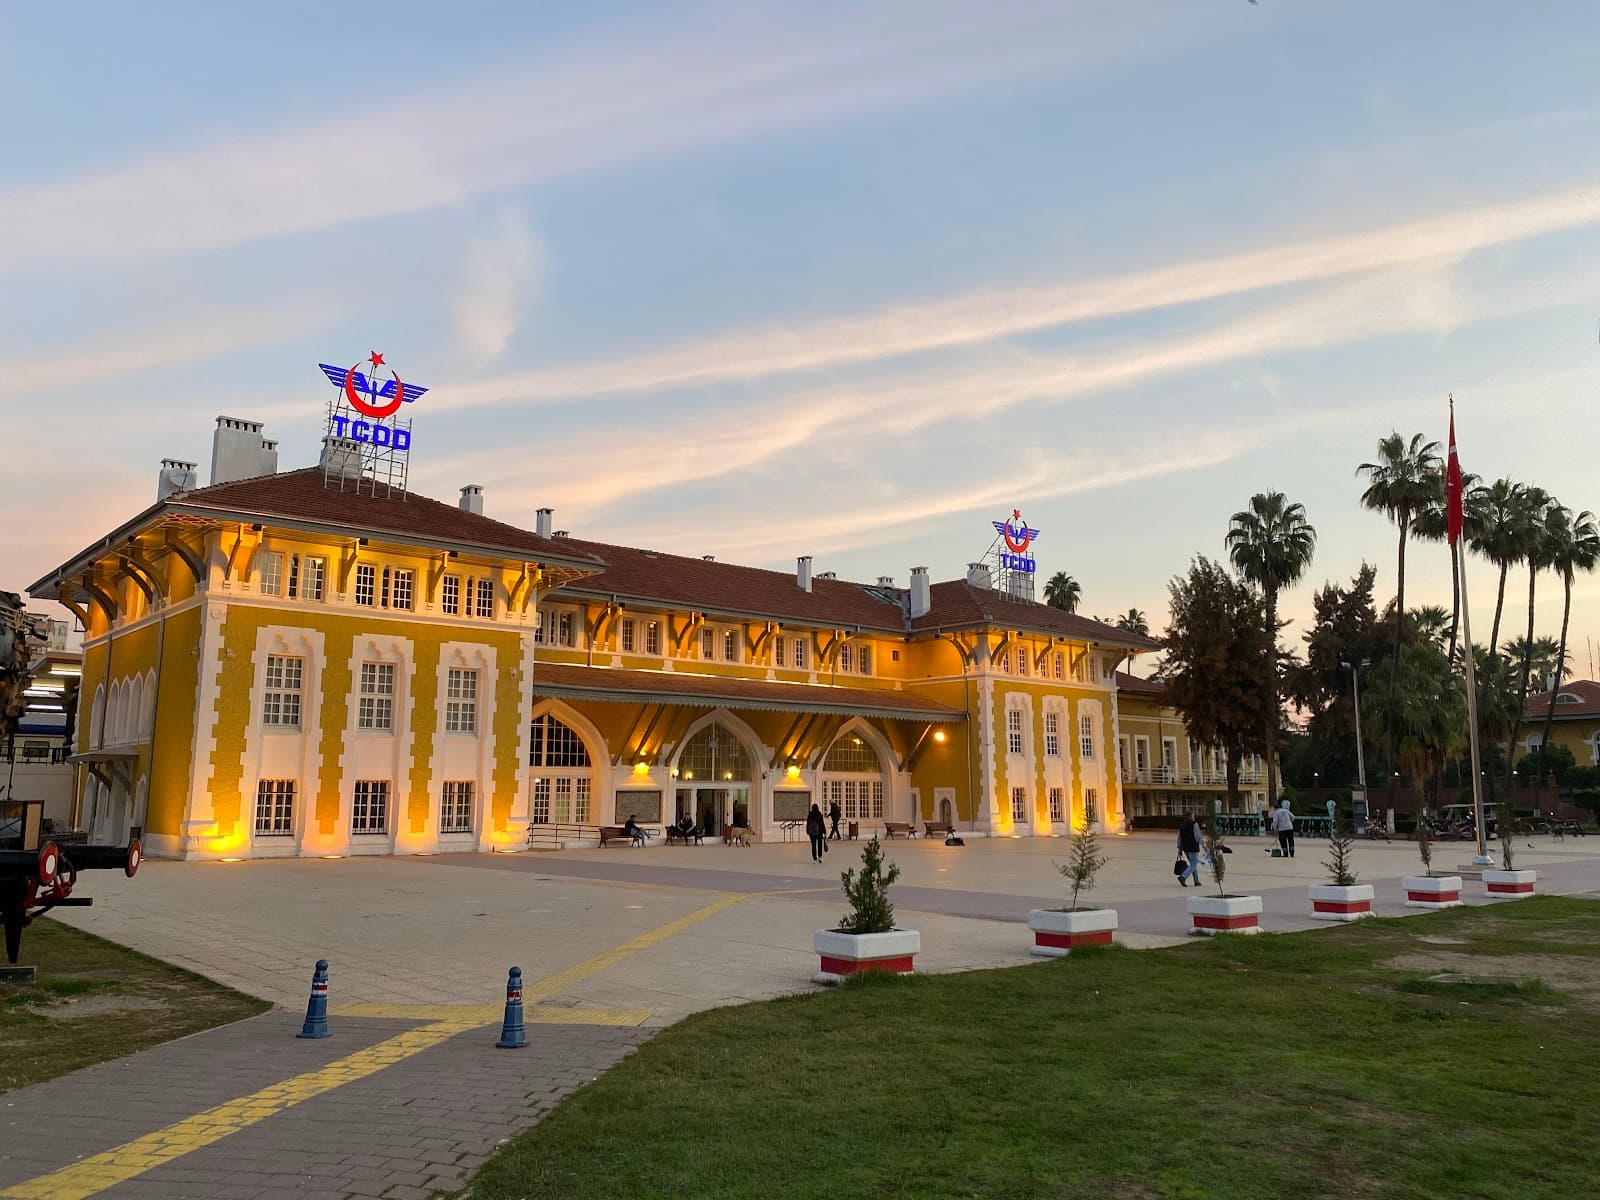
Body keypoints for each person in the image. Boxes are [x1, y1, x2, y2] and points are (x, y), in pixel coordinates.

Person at [1177, 813, 1203, 887]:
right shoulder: (1194, 824)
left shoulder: (1181, 825)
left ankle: (1196, 880)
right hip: (1193, 847)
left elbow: (1179, 838)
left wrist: (1179, 848)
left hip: (1185, 847)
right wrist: (1203, 845)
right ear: (1191, 816)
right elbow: (1197, 837)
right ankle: (1183, 877)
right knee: (1193, 864)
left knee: (1192, 863)